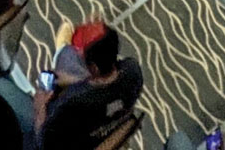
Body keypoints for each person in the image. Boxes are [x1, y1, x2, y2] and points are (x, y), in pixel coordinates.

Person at [33, 21, 145, 150]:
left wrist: (40, 110)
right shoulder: (132, 71)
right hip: (103, 133)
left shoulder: (70, 105)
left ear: (94, 68)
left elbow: (44, 143)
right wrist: (78, 80)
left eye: (81, 57)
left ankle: (60, 53)